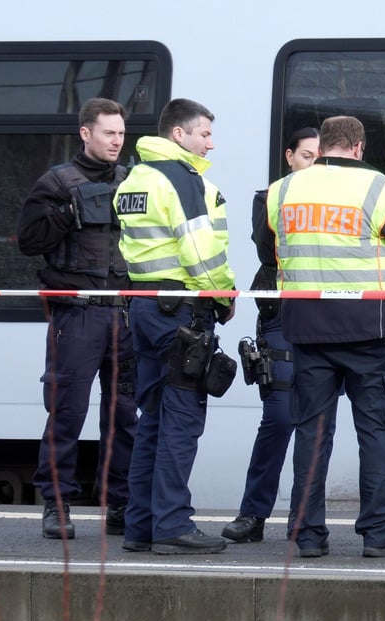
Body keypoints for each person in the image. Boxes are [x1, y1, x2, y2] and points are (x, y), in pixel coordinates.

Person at [256, 115, 385, 558]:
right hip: (369, 331)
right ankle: (378, 534)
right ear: (359, 147)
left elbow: (268, 250)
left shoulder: (283, 190)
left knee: (311, 434)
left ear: (321, 148)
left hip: (306, 330)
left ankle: (307, 535)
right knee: (374, 432)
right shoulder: (377, 188)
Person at [114, 98, 236, 555]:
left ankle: (140, 525)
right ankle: (172, 525)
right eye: (204, 133)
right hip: (181, 312)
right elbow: (200, 252)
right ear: (178, 134)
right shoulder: (181, 178)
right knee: (181, 421)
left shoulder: (136, 177)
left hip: (144, 308)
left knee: (153, 419)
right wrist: (224, 297)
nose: (210, 143)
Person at [17, 97, 137, 540]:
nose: (117, 141)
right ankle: (56, 502)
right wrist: (69, 212)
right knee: (67, 411)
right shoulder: (57, 182)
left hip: (124, 313)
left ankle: (120, 502)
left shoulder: (132, 181)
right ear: (86, 133)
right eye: (109, 133)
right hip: (77, 313)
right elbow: (29, 241)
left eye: (121, 133)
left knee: (124, 414)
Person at [222, 127, 338, 543]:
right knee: (279, 417)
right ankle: (253, 514)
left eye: (320, 157)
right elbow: (267, 249)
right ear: (290, 157)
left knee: (319, 424)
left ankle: (304, 520)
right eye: (307, 156)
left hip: (326, 318)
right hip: (282, 316)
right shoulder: (270, 197)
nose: (314, 164)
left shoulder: (338, 198)